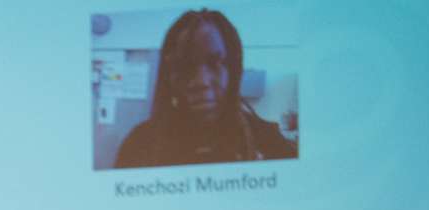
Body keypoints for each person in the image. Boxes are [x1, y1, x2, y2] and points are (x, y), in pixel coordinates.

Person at [113, 8, 296, 170]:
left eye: (215, 63)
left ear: (233, 69)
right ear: (170, 76)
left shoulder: (268, 141)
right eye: (186, 66)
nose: (201, 81)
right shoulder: (140, 144)